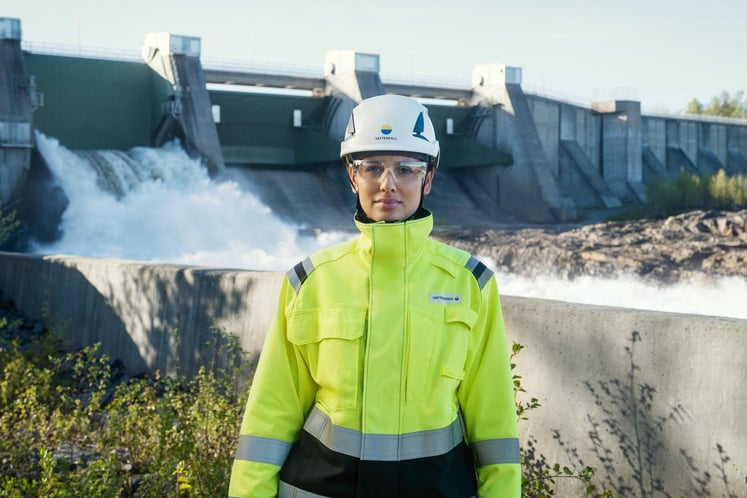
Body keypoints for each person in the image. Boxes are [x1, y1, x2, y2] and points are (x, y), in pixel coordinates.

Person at [228, 94, 520, 497]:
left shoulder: (470, 284)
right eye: (372, 168)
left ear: (428, 178)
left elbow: (495, 426)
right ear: (352, 176)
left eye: (406, 168)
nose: (388, 184)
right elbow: (269, 418)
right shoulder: (309, 281)